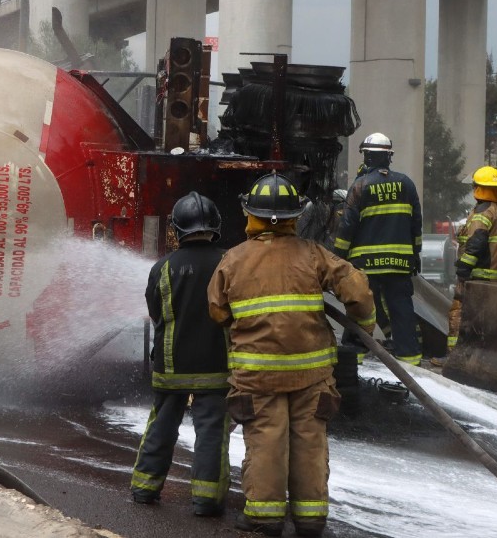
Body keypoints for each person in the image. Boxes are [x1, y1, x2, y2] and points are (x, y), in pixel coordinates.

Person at [208, 172, 375, 537]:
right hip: (311, 374)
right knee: (310, 442)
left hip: (257, 376)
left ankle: (265, 517)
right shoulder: (314, 254)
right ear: (294, 218)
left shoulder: (233, 260)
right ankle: (310, 519)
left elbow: (218, 311)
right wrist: (367, 325)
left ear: (250, 214)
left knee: (266, 439)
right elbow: (358, 292)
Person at [130, 192, 230, 516]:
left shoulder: (163, 267)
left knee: (161, 425)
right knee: (211, 432)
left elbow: (156, 314)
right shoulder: (230, 263)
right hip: (217, 366)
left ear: (176, 229)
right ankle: (206, 500)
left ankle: (145, 489)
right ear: (215, 225)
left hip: (170, 366)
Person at [332, 133, 424, 366]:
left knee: (361, 307)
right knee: (401, 308)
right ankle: (410, 358)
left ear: (368, 156)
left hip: (366, 264)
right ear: (389, 157)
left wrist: (337, 259)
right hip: (400, 262)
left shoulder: (360, 186)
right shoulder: (407, 184)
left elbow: (347, 227)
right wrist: (415, 254)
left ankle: (354, 356)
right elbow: (416, 224)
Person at [436, 166, 497, 363]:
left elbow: (476, 242)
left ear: (478, 188)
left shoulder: (482, 212)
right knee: (485, 321)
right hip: (495, 277)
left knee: (458, 315)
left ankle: (454, 359)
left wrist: (463, 268)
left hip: (477, 277)